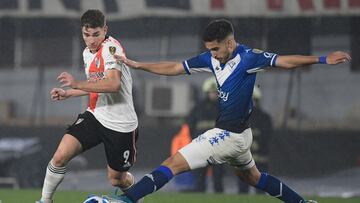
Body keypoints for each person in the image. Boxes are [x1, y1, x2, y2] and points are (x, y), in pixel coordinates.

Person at [105, 19, 351, 203]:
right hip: (241, 137)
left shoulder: (248, 58)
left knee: (172, 163)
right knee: (253, 178)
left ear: (230, 43)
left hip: (228, 135)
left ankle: (125, 200)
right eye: (210, 49)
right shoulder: (211, 59)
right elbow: (174, 67)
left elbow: (285, 60)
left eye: (216, 49)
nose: (213, 54)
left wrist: (321, 59)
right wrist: (138, 65)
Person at [36, 9, 139, 203]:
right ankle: (44, 200)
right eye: (86, 35)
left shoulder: (111, 48)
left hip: (120, 123)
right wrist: (69, 93)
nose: (91, 40)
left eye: (96, 34)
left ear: (105, 30)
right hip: (96, 116)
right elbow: (95, 86)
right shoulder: (87, 53)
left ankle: (138, 196)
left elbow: (113, 85)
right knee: (59, 156)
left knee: (116, 179)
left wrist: (75, 84)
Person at [187, 77, 224, 193]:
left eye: (215, 92)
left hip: (218, 148)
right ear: (206, 92)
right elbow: (191, 126)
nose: (213, 94)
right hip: (202, 148)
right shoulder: (198, 108)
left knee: (218, 178)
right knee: (200, 178)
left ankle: (219, 199)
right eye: (211, 92)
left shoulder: (223, 107)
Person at [238, 86, 273, 194]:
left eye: (252, 100)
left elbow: (267, 137)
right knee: (242, 189)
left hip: (260, 159)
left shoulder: (264, 117)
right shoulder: (239, 117)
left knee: (260, 188)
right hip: (244, 159)